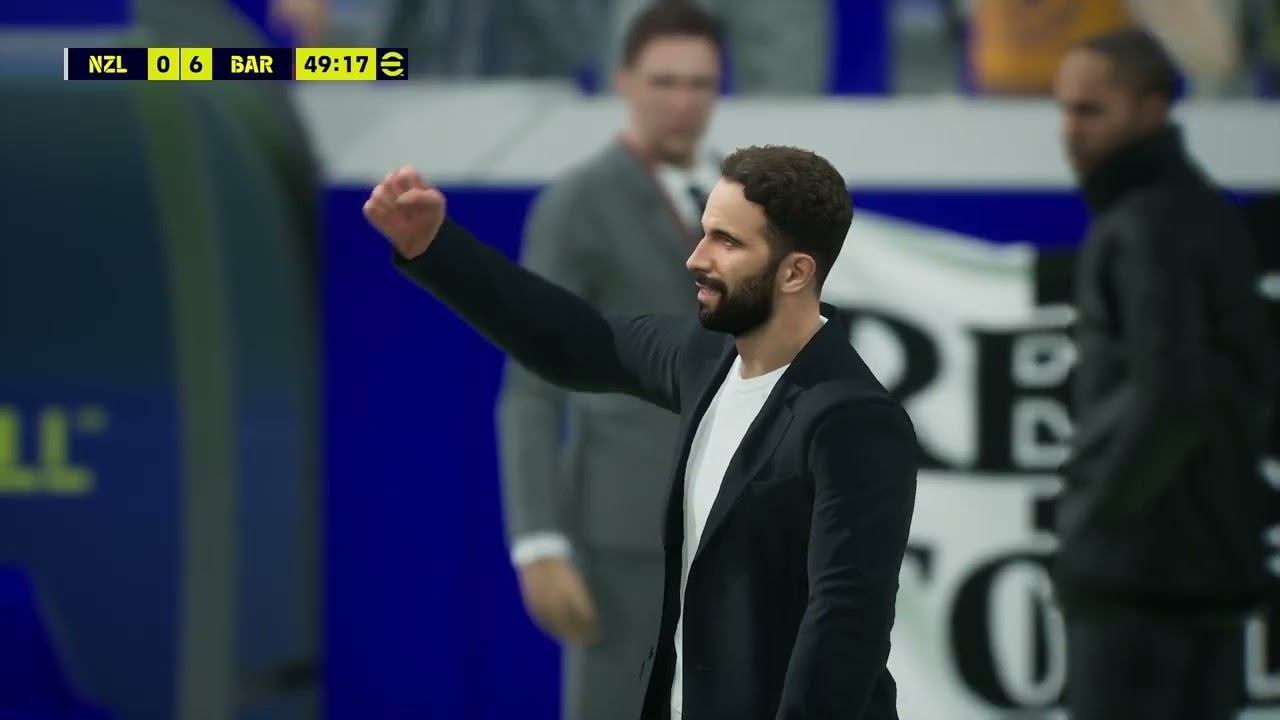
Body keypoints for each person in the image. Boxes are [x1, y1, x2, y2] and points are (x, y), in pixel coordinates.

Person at [362, 145, 918, 719]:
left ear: (796, 272)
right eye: (704, 233)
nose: (696, 258)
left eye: (727, 242)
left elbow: (846, 624)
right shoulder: (705, 359)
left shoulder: (853, 419)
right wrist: (433, 248)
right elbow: (576, 339)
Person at [496, 5, 724, 720]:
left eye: (699, 83)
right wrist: (538, 541)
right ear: (624, 82)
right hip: (627, 531)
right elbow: (531, 387)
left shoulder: (748, 196)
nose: (682, 102)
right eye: (664, 82)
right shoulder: (580, 204)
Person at [1052, 28, 1277, 720]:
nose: (1070, 130)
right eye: (1066, 109)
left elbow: (1172, 396)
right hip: (1205, 570)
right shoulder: (1199, 210)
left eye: (1092, 110)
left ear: (1151, 109)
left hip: (1141, 579)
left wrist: (1095, 527)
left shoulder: (1147, 223)